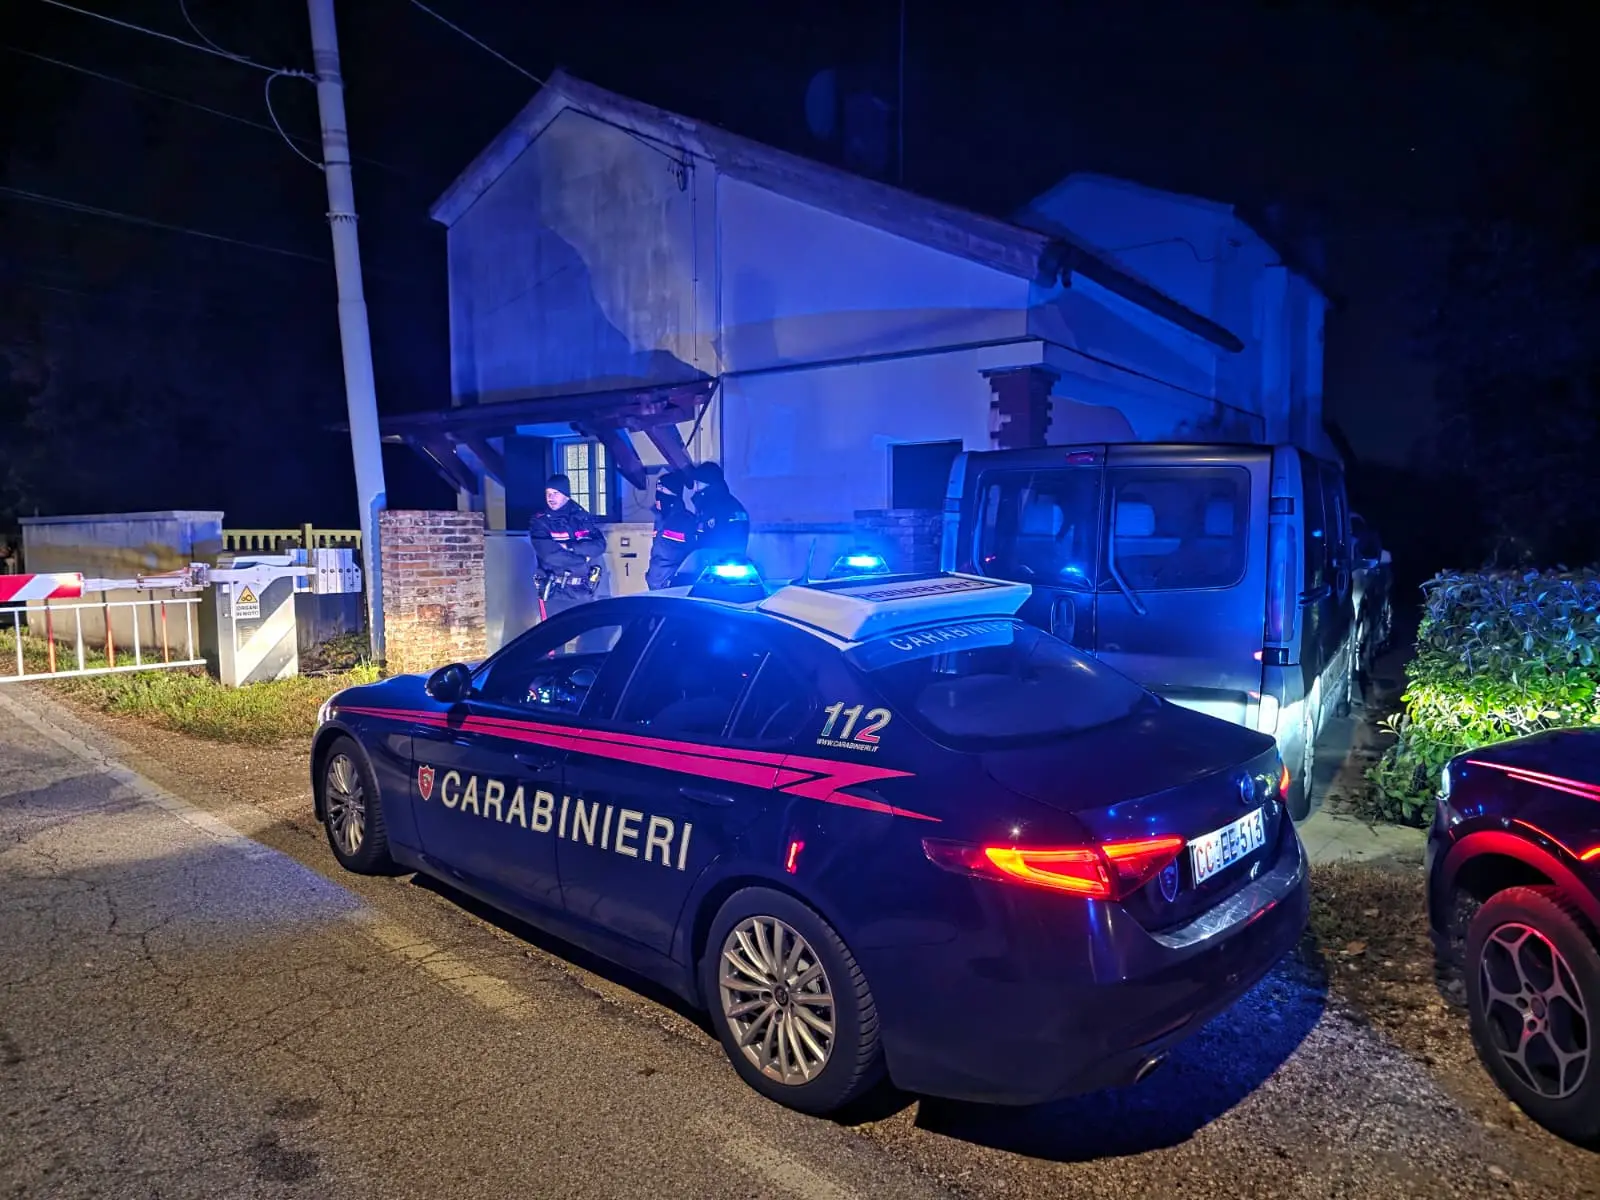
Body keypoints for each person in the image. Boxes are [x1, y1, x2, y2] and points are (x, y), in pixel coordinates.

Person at [528, 473, 606, 619]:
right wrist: (584, 559)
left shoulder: (582, 517)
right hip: (555, 593)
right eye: (548, 494)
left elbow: (600, 546)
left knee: (589, 635)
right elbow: (550, 555)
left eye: (555, 493)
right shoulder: (540, 521)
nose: (551, 498)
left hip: (583, 591)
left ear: (566, 495)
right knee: (554, 637)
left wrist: (571, 547)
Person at [646, 467, 697, 589]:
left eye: (662, 489)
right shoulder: (659, 518)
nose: (658, 493)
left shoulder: (686, 520)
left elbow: (691, 554)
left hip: (674, 585)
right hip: (655, 584)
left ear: (674, 493)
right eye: (657, 489)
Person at [690, 461, 750, 556]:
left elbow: (736, 540)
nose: (694, 489)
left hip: (724, 565)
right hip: (704, 565)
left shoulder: (731, 508)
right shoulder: (706, 508)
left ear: (709, 483)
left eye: (697, 483)